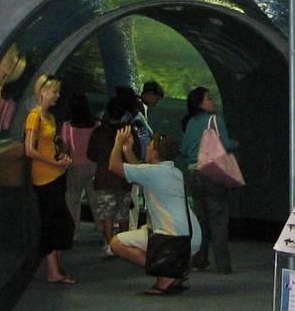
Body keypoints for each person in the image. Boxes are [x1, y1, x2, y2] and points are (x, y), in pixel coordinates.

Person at [108, 126, 201, 295]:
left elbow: (114, 166)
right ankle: (173, 269)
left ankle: (168, 273)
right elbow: (139, 170)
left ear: (156, 154)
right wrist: (128, 150)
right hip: (191, 237)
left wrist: (118, 143)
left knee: (116, 243)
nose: (146, 150)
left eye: (149, 147)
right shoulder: (173, 171)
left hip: (173, 240)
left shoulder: (153, 172)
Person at [23, 74, 75, 284]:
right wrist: (54, 163)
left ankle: (57, 268)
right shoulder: (34, 117)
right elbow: (29, 149)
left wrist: (61, 157)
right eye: (55, 91)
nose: (57, 96)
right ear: (44, 91)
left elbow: (52, 145)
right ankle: (53, 271)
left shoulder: (50, 118)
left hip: (57, 176)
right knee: (53, 223)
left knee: (62, 223)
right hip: (44, 179)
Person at [179, 85, 235, 275]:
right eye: (209, 98)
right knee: (218, 218)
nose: (213, 101)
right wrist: (236, 143)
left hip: (193, 173)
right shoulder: (215, 120)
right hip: (212, 173)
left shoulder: (190, 123)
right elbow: (225, 144)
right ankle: (223, 265)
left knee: (201, 218)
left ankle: (199, 259)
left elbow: (185, 149)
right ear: (200, 104)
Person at [87, 90, 138, 257]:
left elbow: (91, 154)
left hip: (104, 178)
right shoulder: (129, 132)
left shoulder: (99, 132)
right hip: (124, 177)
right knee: (123, 213)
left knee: (106, 213)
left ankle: (109, 244)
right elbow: (137, 153)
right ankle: (122, 244)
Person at [59, 93, 98, 231]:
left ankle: (73, 231)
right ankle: (102, 229)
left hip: (76, 166)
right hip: (94, 166)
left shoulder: (67, 125)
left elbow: (64, 147)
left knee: (73, 200)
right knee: (96, 200)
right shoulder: (96, 124)